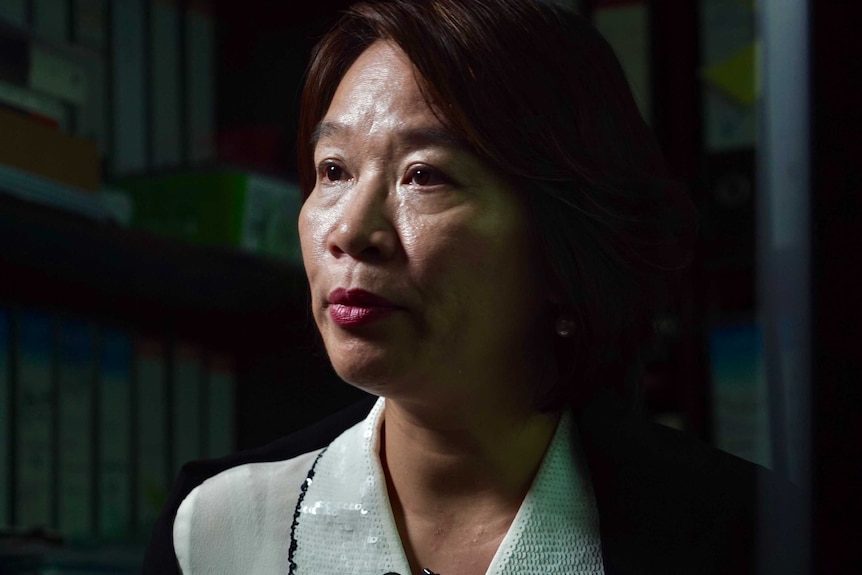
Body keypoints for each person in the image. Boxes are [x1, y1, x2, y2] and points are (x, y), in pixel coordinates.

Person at [143, 1, 801, 574]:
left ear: (563, 240)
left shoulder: (749, 535)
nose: (351, 229)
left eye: (425, 175)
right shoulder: (218, 529)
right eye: (334, 169)